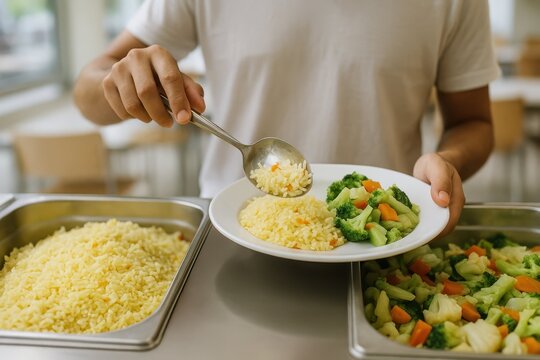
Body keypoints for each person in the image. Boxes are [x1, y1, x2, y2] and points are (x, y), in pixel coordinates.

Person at [74, 0, 499, 236]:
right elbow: (87, 93)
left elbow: (474, 123)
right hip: (232, 230)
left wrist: (449, 161)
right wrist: (121, 79)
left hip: (382, 233)